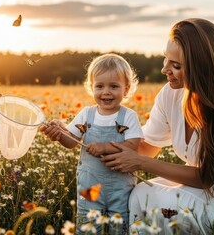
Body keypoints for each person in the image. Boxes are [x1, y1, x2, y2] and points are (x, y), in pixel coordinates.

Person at [101, 18, 214, 234]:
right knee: (140, 194)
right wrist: (93, 138)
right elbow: (147, 146)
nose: (165, 69)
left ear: (201, 68)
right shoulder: (170, 94)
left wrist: (139, 163)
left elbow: (208, 178)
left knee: (174, 207)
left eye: (176, 66)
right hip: (206, 187)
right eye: (166, 59)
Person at [40, 53, 144, 234]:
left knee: (120, 226)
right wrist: (59, 133)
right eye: (100, 86)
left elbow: (133, 145)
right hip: (89, 184)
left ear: (126, 89)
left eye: (114, 86)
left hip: (120, 186)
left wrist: (105, 147)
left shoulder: (128, 116)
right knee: (88, 226)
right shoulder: (86, 114)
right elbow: (70, 141)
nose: (106, 92)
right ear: (91, 87)